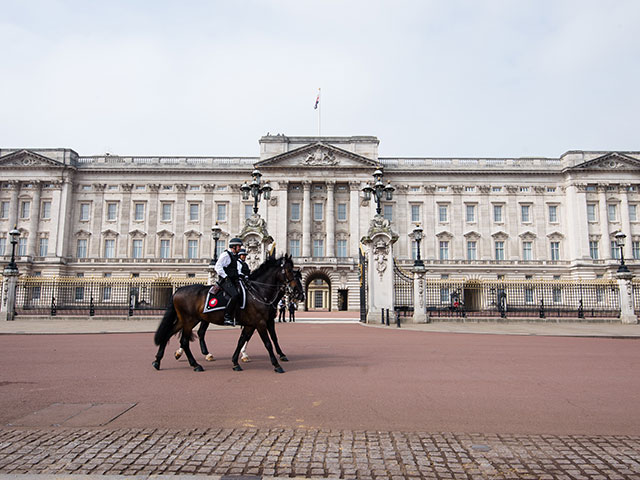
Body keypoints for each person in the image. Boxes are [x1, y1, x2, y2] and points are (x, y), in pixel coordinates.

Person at [214, 237, 243, 326]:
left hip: (233, 280)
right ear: (233, 247)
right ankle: (227, 317)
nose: (240, 248)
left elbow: (234, 270)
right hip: (225, 280)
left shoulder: (235, 257)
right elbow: (218, 267)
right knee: (234, 295)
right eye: (239, 246)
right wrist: (225, 277)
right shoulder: (226, 255)